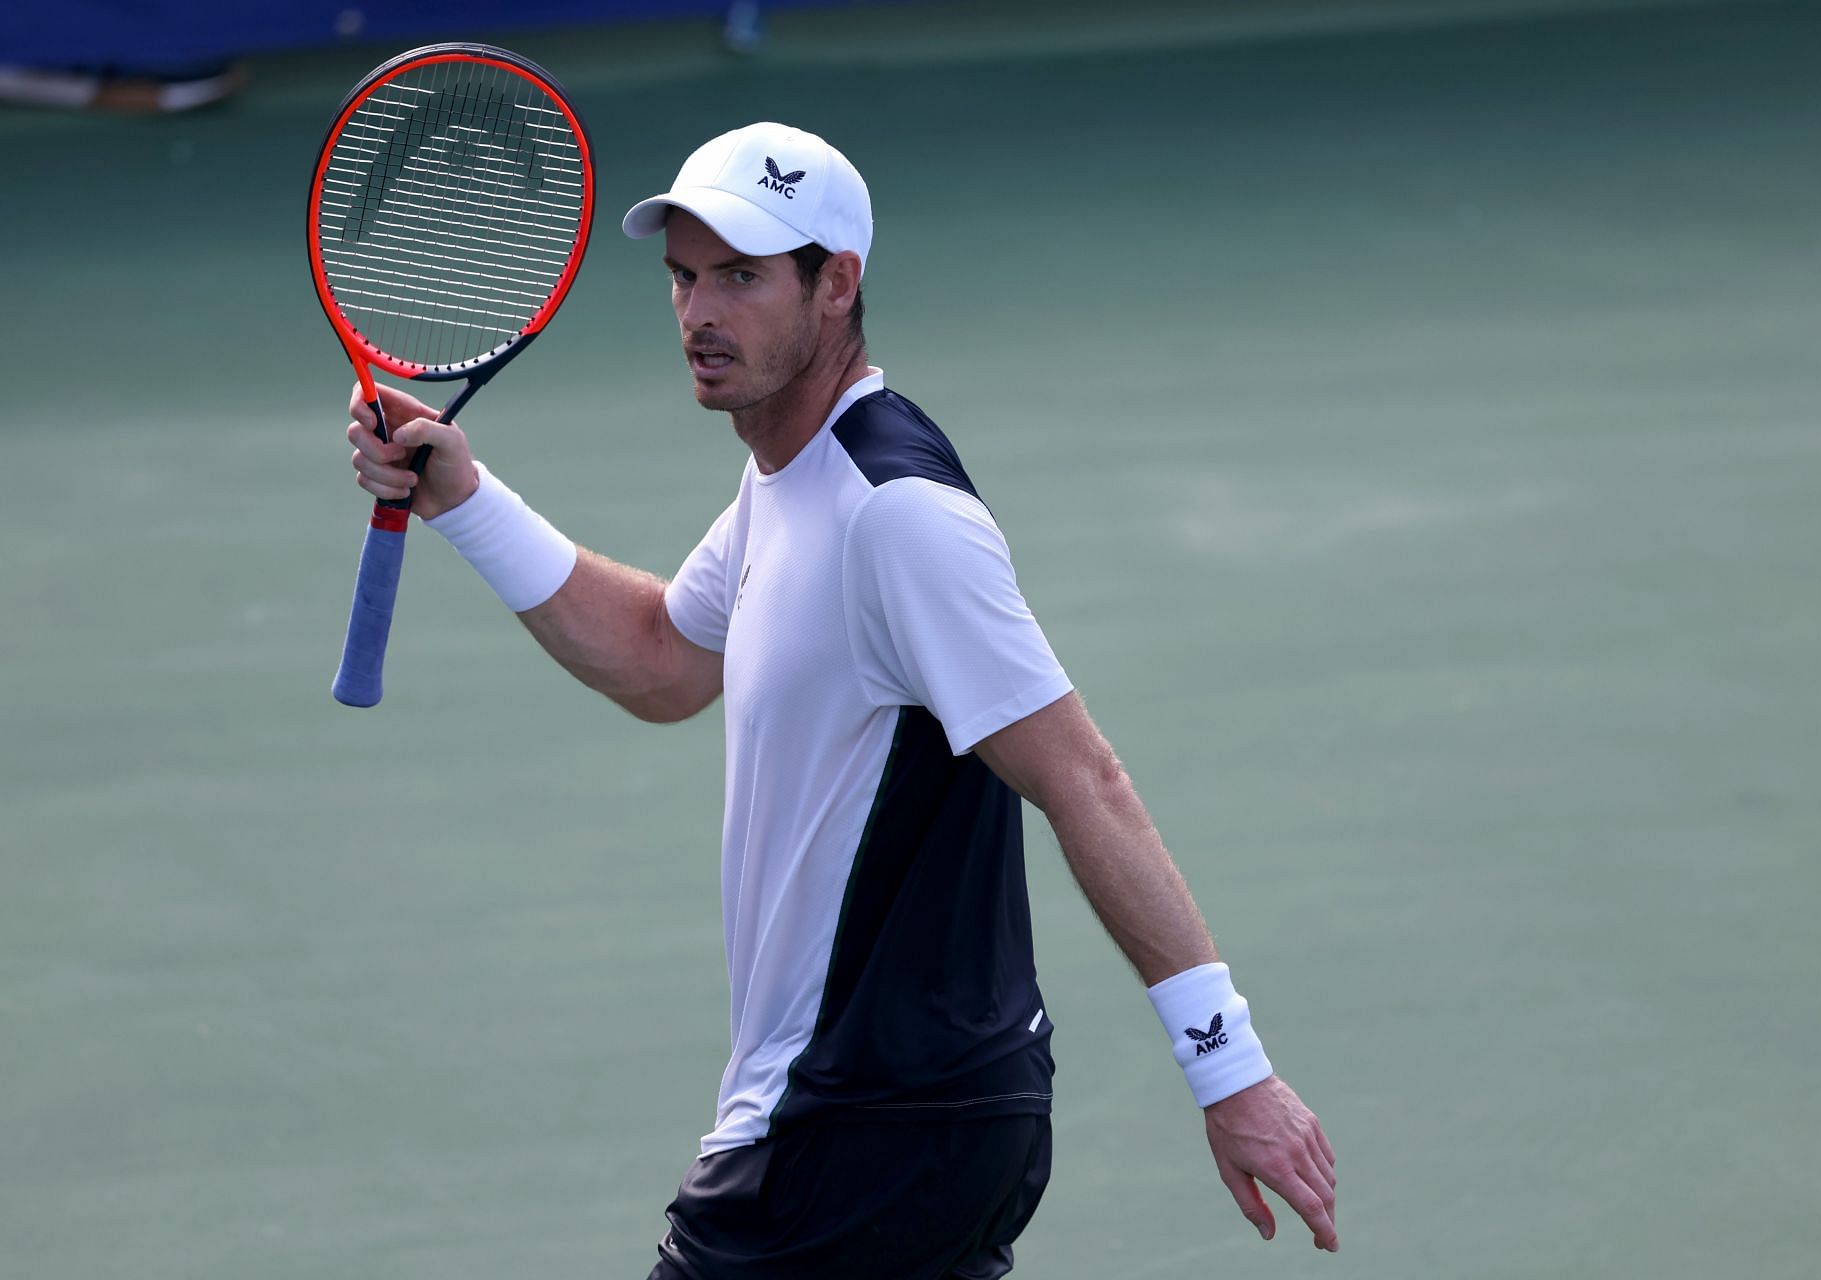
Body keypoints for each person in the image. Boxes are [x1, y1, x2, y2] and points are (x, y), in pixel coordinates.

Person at [345, 121, 1336, 1279]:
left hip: (865, 1111)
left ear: (837, 284)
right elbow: (667, 656)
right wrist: (465, 498)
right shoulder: (789, 479)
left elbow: (1083, 778)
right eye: (685, 277)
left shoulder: (895, 511)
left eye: (742, 277)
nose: (700, 313)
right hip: (921, 1111)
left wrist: (1231, 1070)